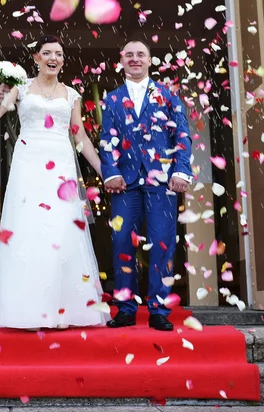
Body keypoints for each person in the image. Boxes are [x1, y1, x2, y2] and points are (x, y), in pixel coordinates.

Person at [0, 35, 110, 330]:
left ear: (63, 61)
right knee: (28, 231)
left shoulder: (72, 94)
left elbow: (80, 137)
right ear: (37, 58)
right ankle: (25, 310)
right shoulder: (21, 88)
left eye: (59, 54)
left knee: (62, 232)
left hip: (61, 168)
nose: (54, 58)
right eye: (47, 53)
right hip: (28, 166)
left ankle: (65, 309)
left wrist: (105, 170)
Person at [100, 40, 192, 331]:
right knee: (121, 242)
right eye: (129, 55)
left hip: (162, 181)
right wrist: (110, 172)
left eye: (140, 54)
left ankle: (158, 309)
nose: (135, 59)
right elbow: (107, 138)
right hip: (124, 184)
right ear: (122, 60)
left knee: (163, 243)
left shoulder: (168, 95)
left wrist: (182, 170)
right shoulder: (112, 99)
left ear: (150, 60)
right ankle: (126, 307)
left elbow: (183, 135)